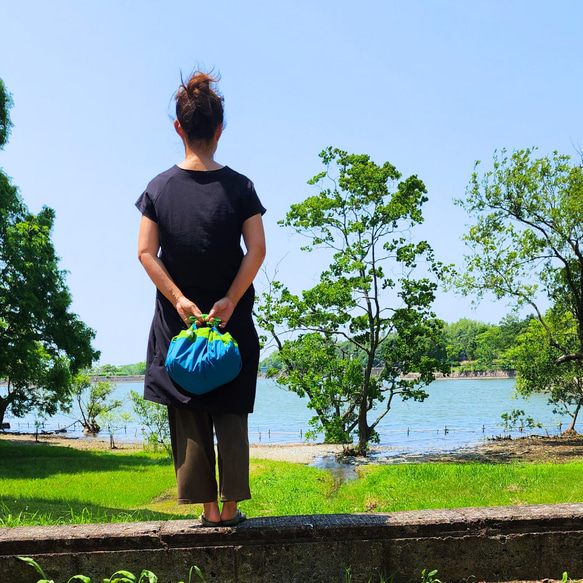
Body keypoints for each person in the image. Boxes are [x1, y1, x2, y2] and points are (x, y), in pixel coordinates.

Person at [136, 71, 266, 527]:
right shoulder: (241, 187)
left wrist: (178, 300)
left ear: (178, 128)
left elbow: (145, 253)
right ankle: (231, 509)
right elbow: (257, 251)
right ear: (219, 129)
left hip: (180, 326)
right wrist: (230, 299)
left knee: (188, 407)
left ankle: (207, 511)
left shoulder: (158, 188)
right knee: (230, 405)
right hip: (228, 325)